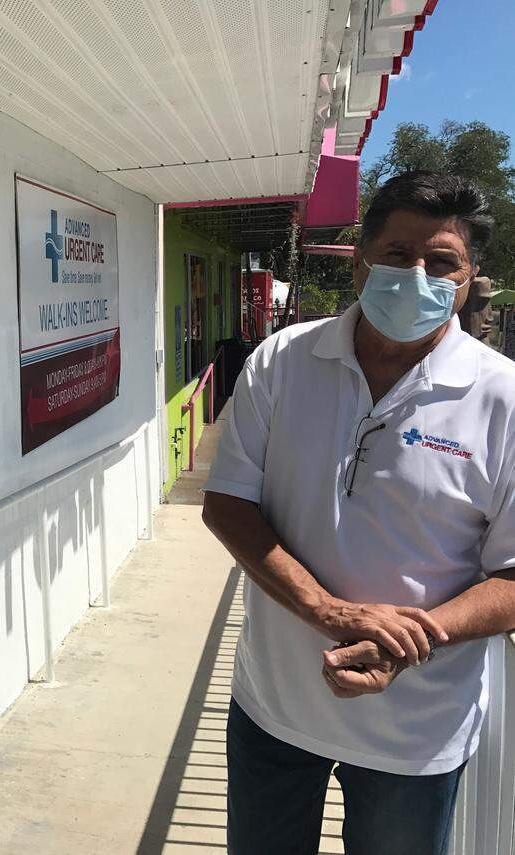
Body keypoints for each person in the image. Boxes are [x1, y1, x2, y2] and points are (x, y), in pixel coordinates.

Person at [202, 171, 515, 855]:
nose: (419, 276)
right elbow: (228, 502)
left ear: (469, 278)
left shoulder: (504, 397)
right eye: (399, 255)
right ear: (362, 261)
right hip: (274, 708)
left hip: (417, 734)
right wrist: (333, 614)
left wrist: (409, 640)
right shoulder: (282, 360)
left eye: (443, 263)